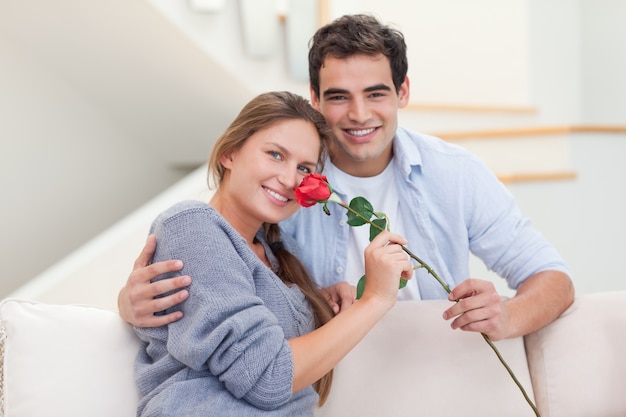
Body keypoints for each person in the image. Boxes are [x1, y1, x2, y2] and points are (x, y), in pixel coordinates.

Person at [120, 14, 574, 342]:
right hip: (328, 373)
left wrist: (507, 317)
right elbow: (223, 278)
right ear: (315, 99)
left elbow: (553, 277)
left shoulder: (455, 173)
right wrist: (129, 306)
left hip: (436, 357)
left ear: (403, 92)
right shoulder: (282, 188)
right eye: (339, 97)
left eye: (375, 94)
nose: (359, 115)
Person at [133, 91, 413, 416]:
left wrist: (318, 300)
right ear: (230, 154)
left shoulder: (277, 249)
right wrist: (375, 299)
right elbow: (267, 377)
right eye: (275, 155)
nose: (289, 179)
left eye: (305, 168)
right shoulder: (193, 225)